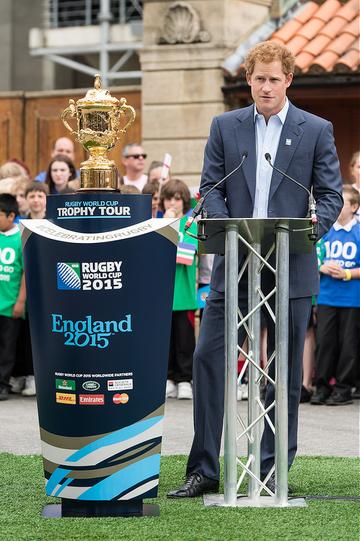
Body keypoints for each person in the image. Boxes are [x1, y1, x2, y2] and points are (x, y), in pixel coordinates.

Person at [167, 41, 343, 498]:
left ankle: (269, 470)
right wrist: (226, 222)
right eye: (258, 78)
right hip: (236, 261)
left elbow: (330, 195)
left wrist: (315, 223)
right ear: (249, 81)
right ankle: (204, 468)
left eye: (274, 78)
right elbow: (210, 187)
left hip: (291, 262)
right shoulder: (226, 127)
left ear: (288, 80)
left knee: (281, 368)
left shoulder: (316, 129)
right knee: (209, 358)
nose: (266, 86)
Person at [311, 186, 360, 406]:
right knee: (324, 343)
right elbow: (311, 256)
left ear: (354, 207)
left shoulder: (358, 231)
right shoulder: (325, 230)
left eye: (343, 203)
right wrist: (321, 266)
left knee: (348, 344)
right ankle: (321, 386)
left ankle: (343, 387)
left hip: (351, 298)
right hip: (326, 296)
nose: (338, 207)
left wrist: (348, 273)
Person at [161, 179, 198, 400]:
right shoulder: (157, 224)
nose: (173, 202)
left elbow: (183, 256)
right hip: (162, 295)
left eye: (178, 198)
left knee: (184, 340)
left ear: (184, 202)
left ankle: (185, 378)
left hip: (184, 294)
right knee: (165, 339)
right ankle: (167, 377)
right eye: (169, 198)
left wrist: (170, 228)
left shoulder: (190, 225)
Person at [0, 194, 26, 401]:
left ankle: (3, 384)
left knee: (6, 348)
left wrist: (20, 301)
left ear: (11, 216)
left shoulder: (20, 239)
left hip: (9, 305)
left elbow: (25, 273)